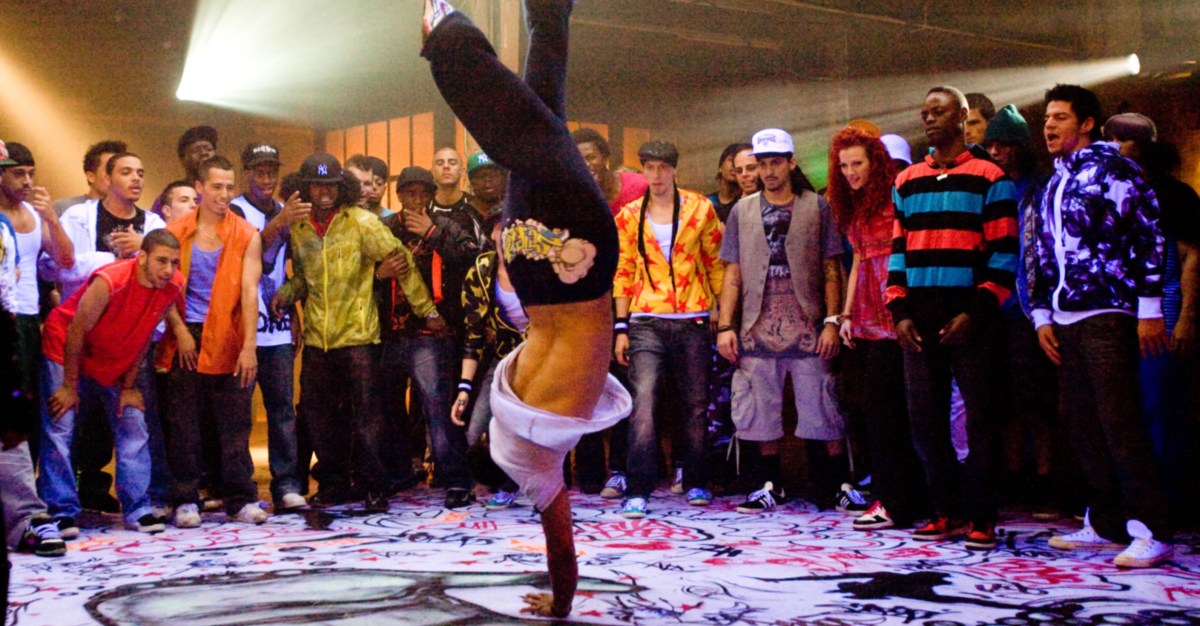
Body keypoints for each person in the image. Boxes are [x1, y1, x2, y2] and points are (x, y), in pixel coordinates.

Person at [421, 0, 632, 616]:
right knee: (529, 131)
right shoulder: (527, 457)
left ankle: (538, 15)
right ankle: (452, 37)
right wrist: (559, 604)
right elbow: (559, 546)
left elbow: (562, 547)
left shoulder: (539, 463)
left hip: (569, 269)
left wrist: (560, 602)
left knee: (538, 122)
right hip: (552, 265)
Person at [1029, 86, 1173, 568]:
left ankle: (1152, 528)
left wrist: (1149, 307)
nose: (1049, 126)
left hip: (1109, 311)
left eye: (1060, 117)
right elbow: (1042, 249)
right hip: (1065, 316)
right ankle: (1108, 522)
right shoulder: (1055, 179)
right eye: (1046, 118)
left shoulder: (1114, 169)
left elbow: (1149, 235)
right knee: (1084, 426)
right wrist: (1042, 314)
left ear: (1087, 123)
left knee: (1120, 423)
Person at [887, 86, 1018, 551]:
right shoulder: (906, 181)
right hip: (920, 312)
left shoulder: (990, 177)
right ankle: (947, 508)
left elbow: (1005, 255)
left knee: (981, 420)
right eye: (924, 112)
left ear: (962, 116)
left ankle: (982, 515)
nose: (929, 119)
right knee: (925, 421)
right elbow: (897, 253)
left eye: (939, 111)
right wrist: (899, 311)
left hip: (971, 313)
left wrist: (976, 312)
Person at [272, 153, 436, 511]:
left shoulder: (362, 222)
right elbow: (306, 278)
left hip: (359, 336)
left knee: (368, 418)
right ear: (306, 188)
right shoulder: (299, 228)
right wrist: (285, 293)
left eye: (331, 185)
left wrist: (428, 310)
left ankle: (374, 485)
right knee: (321, 417)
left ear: (341, 187)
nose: (325, 192)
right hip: (318, 339)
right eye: (317, 186)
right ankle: (333, 484)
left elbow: (403, 262)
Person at [715, 128, 850, 514]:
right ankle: (768, 484)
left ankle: (832, 484)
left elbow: (831, 268)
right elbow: (733, 272)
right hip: (756, 325)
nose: (768, 171)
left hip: (808, 325)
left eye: (776, 162)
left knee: (822, 406)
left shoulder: (816, 206)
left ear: (791, 163)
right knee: (760, 410)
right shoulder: (742, 211)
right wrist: (725, 325)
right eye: (762, 164)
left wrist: (831, 321)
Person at [37, 229, 194, 535]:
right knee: (61, 424)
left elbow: (145, 334)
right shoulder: (111, 280)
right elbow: (76, 331)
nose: (168, 270)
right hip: (66, 348)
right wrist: (69, 386)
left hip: (113, 356)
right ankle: (61, 511)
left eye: (174, 262)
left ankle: (138, 508)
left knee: (133, 421)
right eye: (162, 261)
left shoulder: (173, 285)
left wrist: (130, 386)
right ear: (143, 257)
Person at [613, 140, 724, 518]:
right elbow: (623, 271)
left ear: (675, 169)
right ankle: (638, 487)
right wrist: (621, 327)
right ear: (643, 170)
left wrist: (723, 314)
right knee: (642, 401)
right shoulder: (629, 214)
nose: (656, 174)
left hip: (693, 316)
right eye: (650, 167)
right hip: (645, 318)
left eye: (663, 167)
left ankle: (695, 479)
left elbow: (715, 262)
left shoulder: (699, 207)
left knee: (695, 403)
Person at [157, 156, 265, 526]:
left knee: (235, 424)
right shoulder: (175, 231)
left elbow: (250, 292)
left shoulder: (246, 233)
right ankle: (185, 498)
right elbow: (163, 288)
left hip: (230, 334)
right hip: (185, 332)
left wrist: (249, 346)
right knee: (184, 423)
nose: (224, 194)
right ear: (199, 188)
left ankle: (241, 498)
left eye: (229, 187)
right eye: (216, 186)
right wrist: (180, 330)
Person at [827, 126, 925, 530]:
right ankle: (894, 498)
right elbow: (858, 261)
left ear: (876, 163)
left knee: (896, 414)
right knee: (876, 413)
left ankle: (901, 501)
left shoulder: (896, 199)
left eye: (857, 163)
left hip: (897, 314)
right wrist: (846, 315)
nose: (850, 172)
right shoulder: (855, 205)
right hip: (867, 320)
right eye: (843, 165)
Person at [378, 165, 477, 508]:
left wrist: (434, 233)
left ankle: (456, 480)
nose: (417, 200)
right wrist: (379, 273)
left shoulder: (447, 224)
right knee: (389, 408)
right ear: (399, 195)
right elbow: (356, 271)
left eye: (423, 193)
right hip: (390, 331)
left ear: (432, 196)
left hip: (432, 334)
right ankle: (399, 471)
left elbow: (471, 259)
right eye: (410, 193)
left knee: (437, 406)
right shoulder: (385, 227)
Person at [229, 142, 306, 512]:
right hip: (242, 329)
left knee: (282, 411)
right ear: (247, 173)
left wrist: (295, 313)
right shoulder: (235, 210)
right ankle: (241, 489)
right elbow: (248, 254)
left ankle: (287, 485)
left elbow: (287, 270)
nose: (266, 178)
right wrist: (281, 221)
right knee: (239, 415)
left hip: (277, 326)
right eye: (259, 171)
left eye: (271, 171)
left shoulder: (282, 209)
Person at [0, 142, 75, 452]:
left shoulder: (33, 213)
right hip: (5, 315)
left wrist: (52, 220)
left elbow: (66, 260)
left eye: (31, 174)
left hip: (29, 318)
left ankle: (25, 478)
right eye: (19, 174)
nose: (28, 182)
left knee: (28, 402)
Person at [452, 213, 526, 510]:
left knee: (524, 429)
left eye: (512, 227)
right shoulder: (482, 270)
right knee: (474, 430)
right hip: (502, 358)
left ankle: (515, 485)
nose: (505, 233)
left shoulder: (535, 266)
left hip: (540, 358)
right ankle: (484, 482)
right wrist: (464, 388)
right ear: (492, 233)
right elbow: (474, 334)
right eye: (500, 227)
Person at [573, 127, 648, 215]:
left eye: (591, 157)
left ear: (604, 158)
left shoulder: (641, 185)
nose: (585, 165)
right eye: (578, 160)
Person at [53, 140, 127, 217]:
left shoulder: (129, 213)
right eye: (109, 169)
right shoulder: (64, 208)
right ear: (91, 177)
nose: (115, 176)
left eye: (123, 172)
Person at [708, 143, 750, 221]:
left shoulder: (748, 202)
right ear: (720, 167)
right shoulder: (707, 202)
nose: (734, 165)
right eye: (731, 160)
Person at [466, 151, 508, 217]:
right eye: (480, 176)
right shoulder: (461, 216)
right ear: (471, 181)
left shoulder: (512, 212)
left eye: (492, 174)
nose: (487, 180)